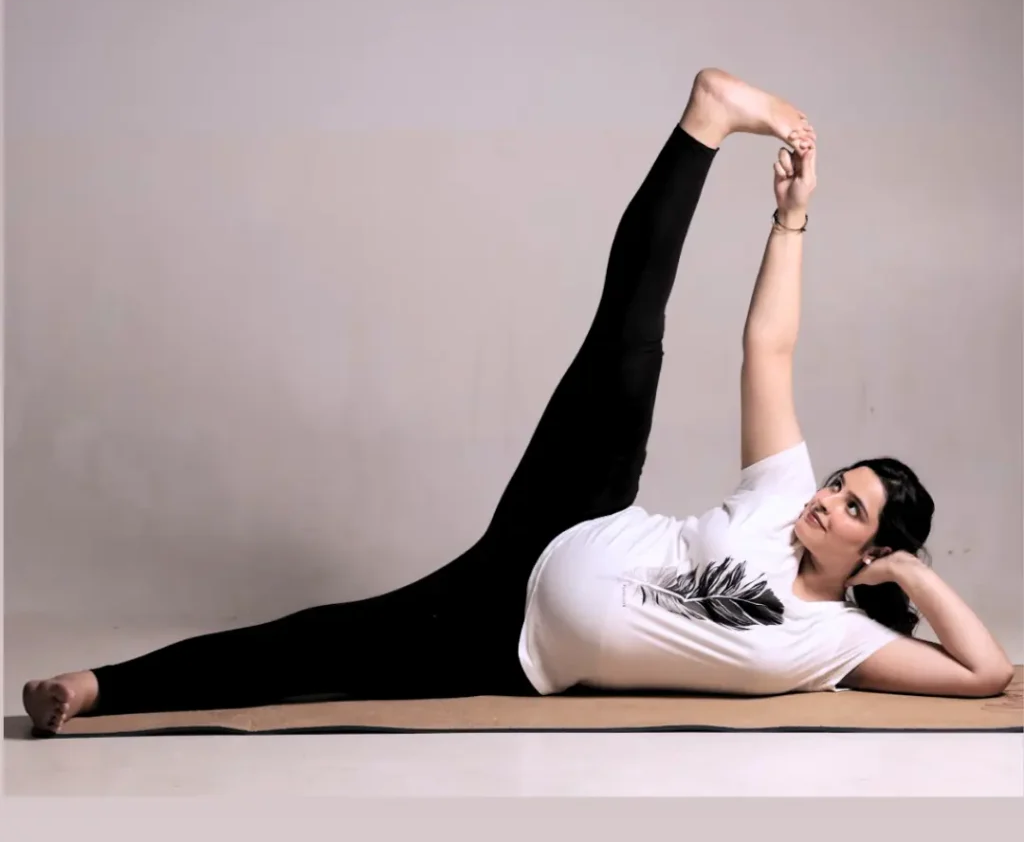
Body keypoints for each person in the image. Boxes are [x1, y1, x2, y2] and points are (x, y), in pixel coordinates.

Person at [23, 68, 1014, 735]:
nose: (826, 498)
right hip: (575, 513)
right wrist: (791, 219)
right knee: (627, 347)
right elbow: (768, 345)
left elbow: (985, 676)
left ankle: (94, 687)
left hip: (506, 640)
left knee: (315, 645)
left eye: (852, 507)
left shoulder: (843, 643)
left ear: (874, 552)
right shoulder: (781, 496)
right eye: (839, 482)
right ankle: (706, 121)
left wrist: (911, 578)